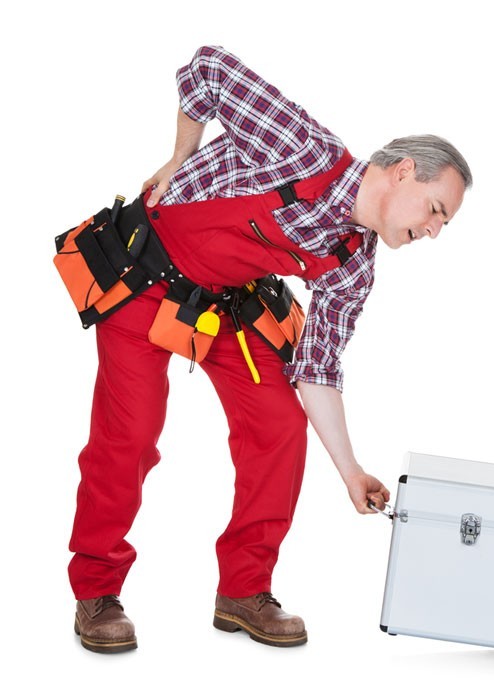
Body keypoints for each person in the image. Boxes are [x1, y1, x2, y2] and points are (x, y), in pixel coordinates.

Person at [68, 45, 472, 654]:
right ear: (402, 172)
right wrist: (180, 154)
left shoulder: (353, 266)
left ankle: (244, 591)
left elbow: (317, 373)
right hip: (144, 280)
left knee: (281, 425)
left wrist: (350, 471)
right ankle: (96, 591)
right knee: (130, 436)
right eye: (436, 210)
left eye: (445, 225)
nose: (434, 231)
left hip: (225, 302)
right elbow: (206, 68)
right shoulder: (303, 150)